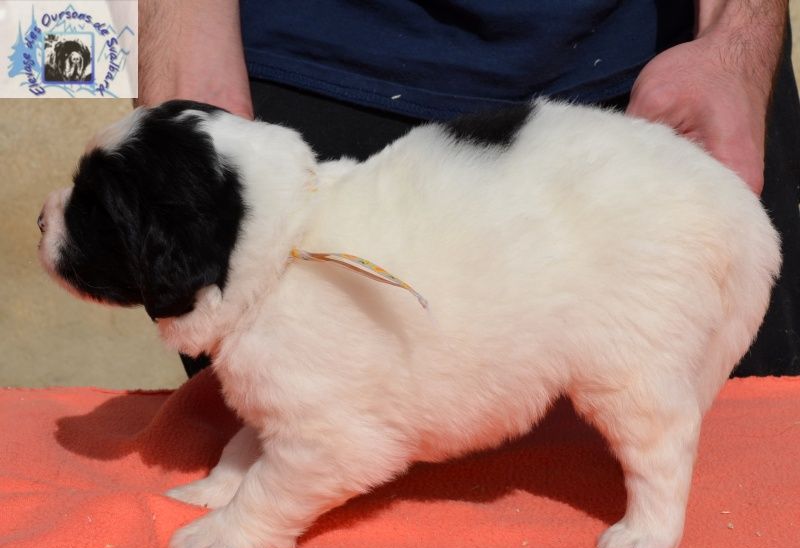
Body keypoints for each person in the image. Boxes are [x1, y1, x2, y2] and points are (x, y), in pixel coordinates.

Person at [136, 0, 800, 376]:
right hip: (305, 71)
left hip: (661, 83)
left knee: (715, 488)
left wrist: (736, 39)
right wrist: (184, 37)